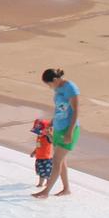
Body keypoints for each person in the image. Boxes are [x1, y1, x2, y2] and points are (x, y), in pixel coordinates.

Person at [33, 68, 80, 198]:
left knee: (56, 160)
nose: (50, 87)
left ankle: (46, 191)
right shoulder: (58, 88)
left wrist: (70, 132)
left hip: (68, 129)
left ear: (55, 80)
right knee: (61, 161)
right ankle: (66, 189)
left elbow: (76, 111)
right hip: (59, 128)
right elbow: (59, 109)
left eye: (49, 84)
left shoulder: (71, 88)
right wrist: (51, 123)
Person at [31, 119, 54, 189]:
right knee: (41, 171)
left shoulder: (47, 137)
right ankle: (46, 182)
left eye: (40, 132)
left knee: (45, 172)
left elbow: (53, 140)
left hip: (46, 159)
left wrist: (49, 134)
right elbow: (38, 146)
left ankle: (41, 184)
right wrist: (34, 152)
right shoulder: (39, 137)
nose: (38, 133)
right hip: (39, 157)